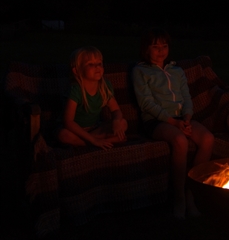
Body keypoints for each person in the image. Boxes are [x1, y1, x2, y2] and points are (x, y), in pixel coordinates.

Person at [132, 28, 214, 219]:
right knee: (180, 141)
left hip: (180, 118)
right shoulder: (140, 71)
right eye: (155, 46)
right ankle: (179, 199)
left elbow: (186, 97)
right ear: (145, 49)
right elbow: (146, 103)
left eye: (164, 46)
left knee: (208, 139)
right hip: (156, 121)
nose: (161, 50)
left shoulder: (177, 70)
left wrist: (186, 118)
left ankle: (190, 194)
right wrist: (173, 123)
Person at [58, 46, 128, 150]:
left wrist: (116, 120)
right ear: (77, 71)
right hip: (76, 131)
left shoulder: (104, 86)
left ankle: (88, 142)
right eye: (91, 64)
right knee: (63, 135)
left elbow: (116, 110)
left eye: (99, 64)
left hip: (95, 129)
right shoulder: (75, 90)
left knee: (123, 123)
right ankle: (94, 142)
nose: (97, 67)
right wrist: (93, 140)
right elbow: (68, 122)